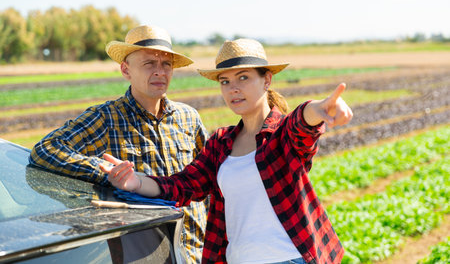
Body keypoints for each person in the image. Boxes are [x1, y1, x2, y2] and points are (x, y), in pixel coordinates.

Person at [100, 38, 353, 264]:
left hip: (288, 258)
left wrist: (317, 109)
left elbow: (301, 124)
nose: (233, 88)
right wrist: (134, 182)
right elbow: (184, 185)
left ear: (266, 80)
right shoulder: (221, 142)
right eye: (225, 81)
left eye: (243, 77)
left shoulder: (281, 136)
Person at [29, 25, 208, 263]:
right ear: (126, 70)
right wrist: (105, 172)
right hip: (146, 254)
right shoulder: (106, 118)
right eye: (149, 64)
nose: (160, 72)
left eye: (166, 64)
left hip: (198, 251)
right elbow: (46, 149)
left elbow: (210, 179)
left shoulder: (189, 117)